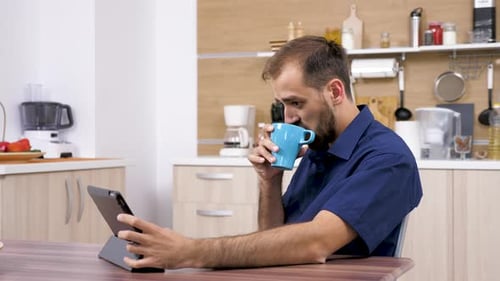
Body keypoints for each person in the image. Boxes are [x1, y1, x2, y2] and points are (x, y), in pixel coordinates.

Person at [117, 35, 423, 269]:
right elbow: (275, 238)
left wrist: (190, 251)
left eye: (296, 103)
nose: (287, 117)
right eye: (283, 105)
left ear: (335, 92)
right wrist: (270, 180)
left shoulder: (387, 159)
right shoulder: (319, 146)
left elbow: (316, 243)